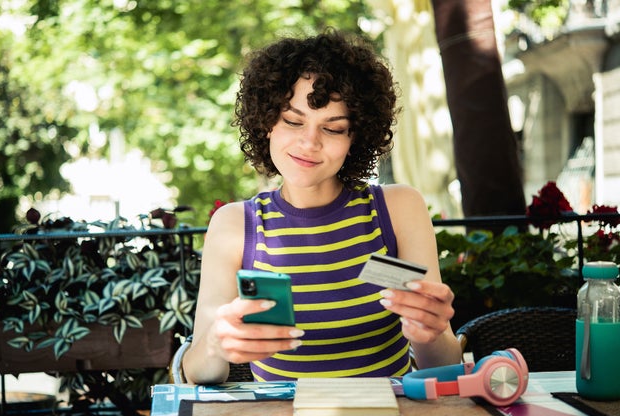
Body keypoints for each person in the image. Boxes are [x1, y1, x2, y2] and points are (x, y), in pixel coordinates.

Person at [182, 29, 461, 384]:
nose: (308, 143)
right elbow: (197, 373)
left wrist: (432, 332)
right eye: (293, 121)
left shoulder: (398, 209)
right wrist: (215, 345)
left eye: (333, 128)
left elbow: (443, 366)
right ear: (267, 122)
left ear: (355, 136)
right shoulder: (235, 225)